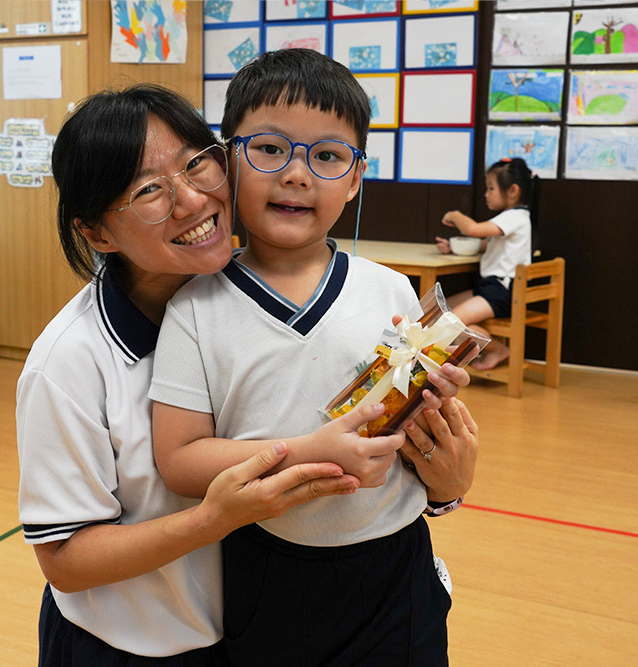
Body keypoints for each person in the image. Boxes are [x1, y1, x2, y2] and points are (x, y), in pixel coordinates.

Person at [17, 84, 379, 666]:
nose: (191, 199)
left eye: (195, 164)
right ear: (97, 233)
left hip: (252, 633)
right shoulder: (69, 362)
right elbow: (65, 561)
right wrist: (211, 520)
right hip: (130, 648)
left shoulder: (255, 299)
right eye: (148, 191)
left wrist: (443, 491)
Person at [150, 49, 478, 666]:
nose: (297, 174)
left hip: (394, 566)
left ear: (355, 179)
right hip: (265, 567)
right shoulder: (195, 307)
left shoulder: (391, 290)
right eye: (270, 148)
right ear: (226, 161)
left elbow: (411, 433)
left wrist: (442, 454)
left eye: (327, 157)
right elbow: (180, 460)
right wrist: (307, 453)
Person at [436, 156, 538, 370]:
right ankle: (491, 347)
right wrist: (452, 247)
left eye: (491, 188)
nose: (486, 194)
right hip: (491, 288)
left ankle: (497, 349)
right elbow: (485, 244)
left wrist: (454, 215)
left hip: (501, 291)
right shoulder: (510, 218)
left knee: (450, 320)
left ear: (512, 191)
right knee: (440, 311)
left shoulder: (515, 216)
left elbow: (473, 230)